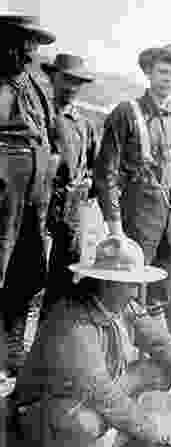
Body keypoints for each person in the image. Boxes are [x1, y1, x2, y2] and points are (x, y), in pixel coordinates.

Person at [10, 235, 171, 447]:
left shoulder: (120, 305)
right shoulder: (72, 321)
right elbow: (100, 391)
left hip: (90, 394)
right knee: (86, 426)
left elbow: (162, 343)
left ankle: (122, 425)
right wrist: (149, 429)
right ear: (109, 284)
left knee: (159, 371)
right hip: (44, 407)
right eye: (131, 284)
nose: (136, 292)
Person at [94, 43, 171, 342]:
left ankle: (151, 365)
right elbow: (105, 173)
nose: (167, 79)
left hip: (170, 222)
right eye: (162, 71)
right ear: (149, 73)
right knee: (127, 293)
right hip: (136, 217)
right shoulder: (127, 112)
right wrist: (115, 230)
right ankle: (119, 358)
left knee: (160, 295)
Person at [0, 14, 59, 379]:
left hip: (33, 198)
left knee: (28, 271)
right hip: (4, 197)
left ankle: (12, 345)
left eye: (32, 45)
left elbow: (48, 137)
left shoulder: (36, 87)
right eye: (20, 44)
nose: (27, 53)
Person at [42, 53, 100, 316]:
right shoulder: (37, 113)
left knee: (64, 275)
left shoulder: (84, 125)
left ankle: (49, 337)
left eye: (77, 82)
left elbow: (95, 166)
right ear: (52, 77)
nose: (71, 87)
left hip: (71, 209)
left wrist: (87, 184)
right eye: (66, 80)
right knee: (27, 273)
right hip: (35, 203)